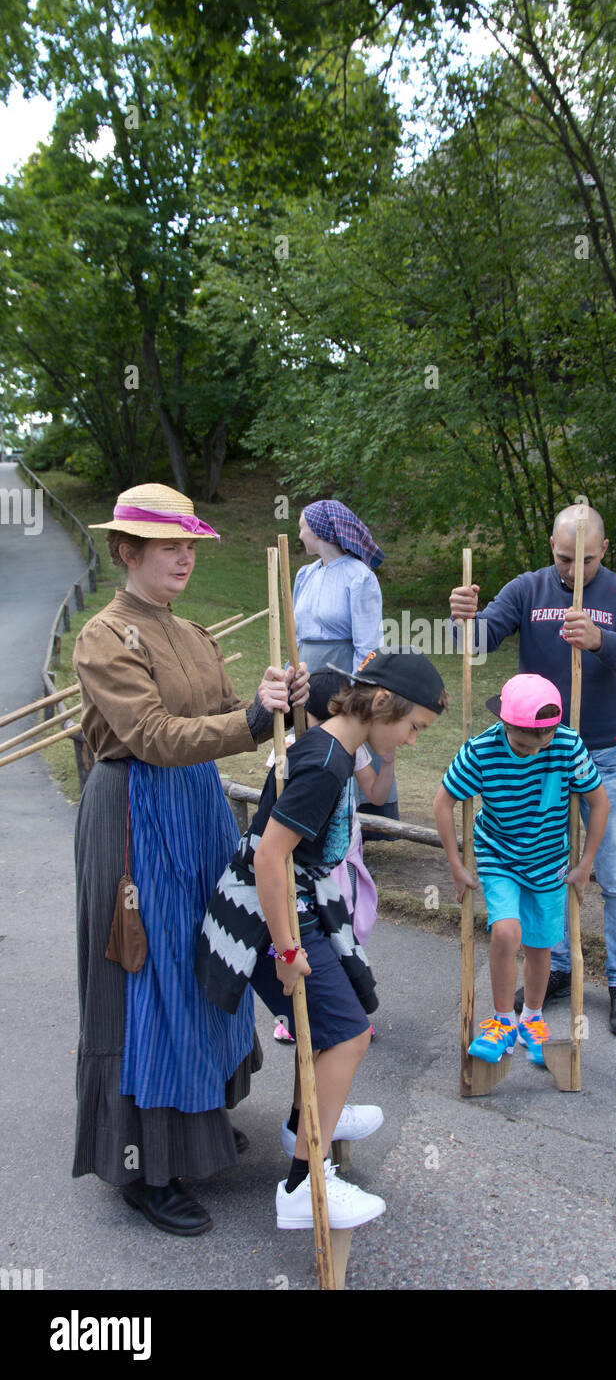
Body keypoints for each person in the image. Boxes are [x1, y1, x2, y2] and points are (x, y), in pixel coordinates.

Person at [73, 482, 308, 1237]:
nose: (184, 558)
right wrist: (249, 719)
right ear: (128, 551)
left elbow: (230, 717)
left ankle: (194, 1127)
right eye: (168, 546)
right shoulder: (105, 637)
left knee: (208, 960)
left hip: (198, 808)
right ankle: (147, 1164)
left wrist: (281, 700)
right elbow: (150, 734)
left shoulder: (194, 631)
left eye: (189, 545)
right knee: (148, 975)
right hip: (134, 815)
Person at [196, 648, 447, 1229]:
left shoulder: (335, 746)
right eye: (413, 727)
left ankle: (303, 1125)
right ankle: (304, 1187)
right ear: (382, 702)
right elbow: (268, 857)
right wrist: (286, 952)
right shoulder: (325, 766)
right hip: (268, 914)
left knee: (348, 1009)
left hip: (298, 900)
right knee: (349, 1036)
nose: (412, 739)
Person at [449, 504, 616, 1036]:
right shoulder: (528, 589)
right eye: (565, 559)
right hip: (536, 753)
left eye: (585, 561)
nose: (573, 572)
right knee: (544, 860)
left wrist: (601, 641)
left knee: (611, 869)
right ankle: (558, 967)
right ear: (551, 547)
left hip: (599, 750)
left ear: (604, 551)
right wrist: (463, 621)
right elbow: (478, 646)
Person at [434, 674, 609, 1063]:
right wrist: (455, 864)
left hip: (548, 860)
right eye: (522, 744)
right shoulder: (481, 750)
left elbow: (599, 803)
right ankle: (501, 1022)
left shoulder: (566, 744)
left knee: (541, 946)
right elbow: (443, 802)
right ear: (505, 724)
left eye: (542, 742)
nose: (534, 751)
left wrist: (585, 866)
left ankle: (532, 1017)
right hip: (499, 857)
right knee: (505, 933)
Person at [267, 667, 393, 1047]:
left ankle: (347, 1005)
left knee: (350, 931)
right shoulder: (293, 749)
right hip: (306, 867)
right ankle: (299, 1013)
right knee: (312, 937)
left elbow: (376, 793)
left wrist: (387, 761)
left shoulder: (349, 748)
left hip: (344, 859)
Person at [294, 499, 398, 827]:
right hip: (307, 678)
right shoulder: (304, 575)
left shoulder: (360, 577)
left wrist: (352, 695)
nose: (299, 534)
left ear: (321, 531)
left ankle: (344, 827)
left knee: (339, 751)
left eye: (303, 527)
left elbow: (367, 644)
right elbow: (296, 636)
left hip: (341, 679)